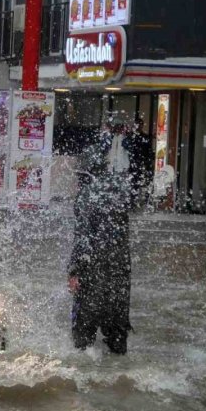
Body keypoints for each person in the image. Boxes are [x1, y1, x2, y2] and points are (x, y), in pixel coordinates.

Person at [68, 130, 132, 354]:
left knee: (83, 338)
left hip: (93, 272)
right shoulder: (119, 193)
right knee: (117, 334)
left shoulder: (87, 195)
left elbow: (83, 236)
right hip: (120, 273)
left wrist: (74, 271)